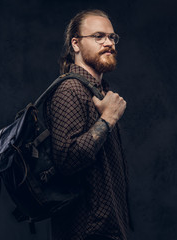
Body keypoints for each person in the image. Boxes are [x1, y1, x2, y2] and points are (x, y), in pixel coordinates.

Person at [43, 9, 132, 240]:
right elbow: (67, 158)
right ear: (76, 44)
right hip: (86, 232)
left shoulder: (98, 93)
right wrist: (108, 119)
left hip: (107, 230)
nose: (108, 43)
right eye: (98, 36)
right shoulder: (69, 90)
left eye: (112, 37)